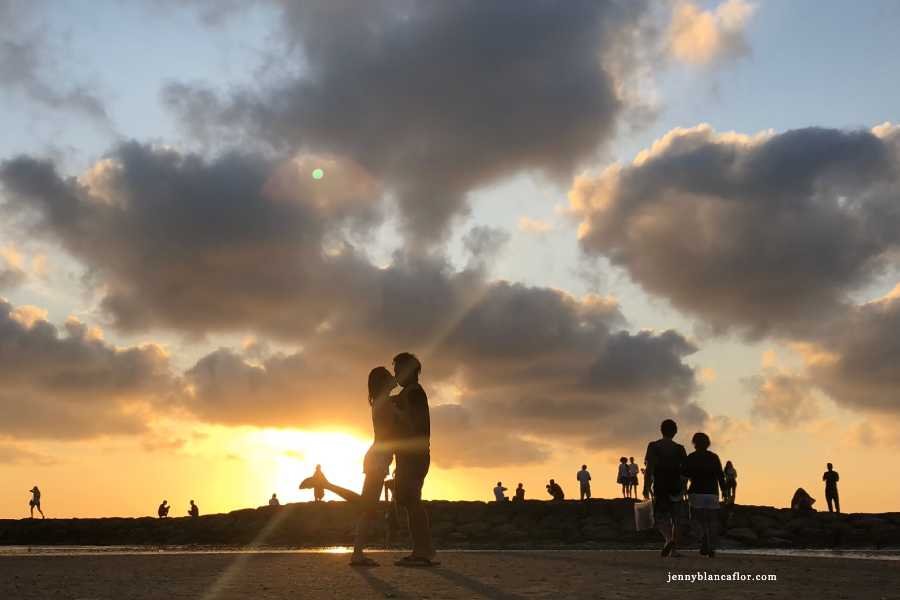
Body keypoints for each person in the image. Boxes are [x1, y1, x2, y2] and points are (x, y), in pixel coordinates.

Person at [391, 352, 438, 567]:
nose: (396, 376)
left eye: (398, 371)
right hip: (410, 456)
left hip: (413, 455)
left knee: (412, 501)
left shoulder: (414, 393)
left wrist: (395, 411)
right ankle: (424, 549)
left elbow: (417, 426)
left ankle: (422, 551)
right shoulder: (410, 393)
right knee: (410, 501)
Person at [645, 419, 688, 557]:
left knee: (659, 517)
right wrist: (685, 487)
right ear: (675, 432)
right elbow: (685, 471)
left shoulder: (653, 446)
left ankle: (668, 539)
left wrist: (646, 486)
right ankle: (674, 550)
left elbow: (649, 467)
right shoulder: (679, 448)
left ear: (661, 430)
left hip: (660, 485)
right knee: (676, 518)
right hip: (676, 485)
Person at [683, 432, 727, 558]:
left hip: (696, 492)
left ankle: (703, 537)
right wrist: (724, 491)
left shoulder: (691, 457)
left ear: (694, 443)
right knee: (712, 520)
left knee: (696, 519)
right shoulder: (714, 457)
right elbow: (720, 475)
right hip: (712, 493)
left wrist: (683, 489)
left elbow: (685, 476)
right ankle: (711, 545)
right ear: (708, 443)